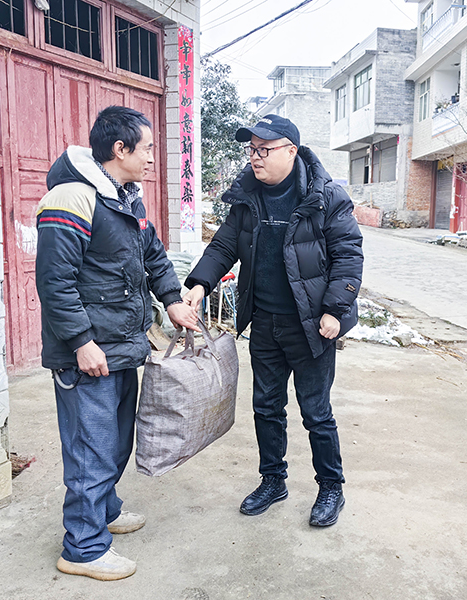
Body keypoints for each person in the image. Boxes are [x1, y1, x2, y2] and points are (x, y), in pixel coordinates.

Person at [35, 106, 198, 581]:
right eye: (146, 148)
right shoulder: (71, 198)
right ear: (119, 149)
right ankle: (82, 548)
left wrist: (171, 301)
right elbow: (56, 283)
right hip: (88, 353)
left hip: (122, 345)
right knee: (90, 447)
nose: (151, 158)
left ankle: (102, 511)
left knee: (113, 441)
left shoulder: (126, 198)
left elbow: (154, 257)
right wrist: (81, 342)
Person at [183, 114, 363, 527]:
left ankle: (331, 488)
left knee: (316, 412)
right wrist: (199, 284)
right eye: (251, 150)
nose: (255, 158)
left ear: (291, 151)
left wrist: (336, 309)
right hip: (264, 320)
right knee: (265, 407)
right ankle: (273, 480)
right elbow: (224, 244)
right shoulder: (249, 196)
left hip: (310, 325)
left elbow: (349, 255)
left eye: (264, 150)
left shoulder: (324, 195)